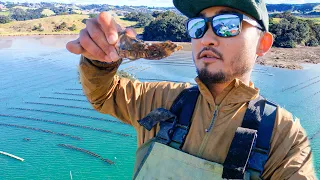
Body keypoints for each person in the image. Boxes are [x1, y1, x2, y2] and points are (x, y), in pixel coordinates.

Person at [66, 0, 316, 179]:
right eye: (198, 26)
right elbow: (104, 96)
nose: (207, 37)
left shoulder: (285, 138)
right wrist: (99, 60)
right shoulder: (160, 99)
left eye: (227, 24)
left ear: (263, 43)